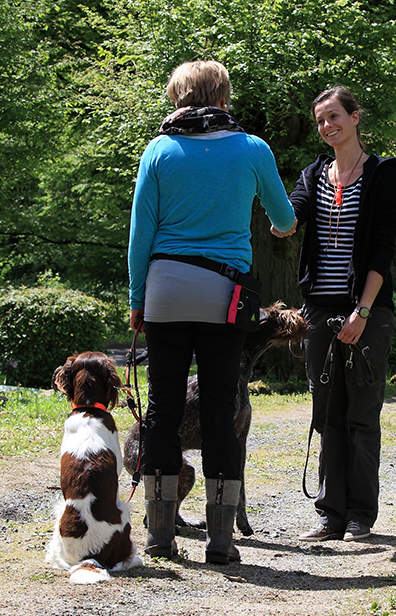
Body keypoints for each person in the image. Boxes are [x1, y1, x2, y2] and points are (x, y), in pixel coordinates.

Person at [127, 60, 295, 565]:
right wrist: (277, 227)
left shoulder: (158, 151)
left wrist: (137, 299)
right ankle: (221, 541)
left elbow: (141, 234)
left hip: (166, 290)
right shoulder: (252, 148)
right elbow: (285, 218)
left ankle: (160, 535)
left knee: (162, 410)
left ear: (178, 99)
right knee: (221, 411)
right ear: (223, 98)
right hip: (224, 295)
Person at [284, 86, 396, 544]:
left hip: (367, 309)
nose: (326, 126)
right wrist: (277, 215)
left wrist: (363, 311)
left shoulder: (382, 174)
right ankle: (330, 514)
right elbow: (289, 217)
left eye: (334, 116)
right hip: (319, 309)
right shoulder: (313, 174)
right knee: (327, 413)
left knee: (362, 415)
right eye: (320, 120)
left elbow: (382, 250)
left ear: (354, 118)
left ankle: (360, 515)